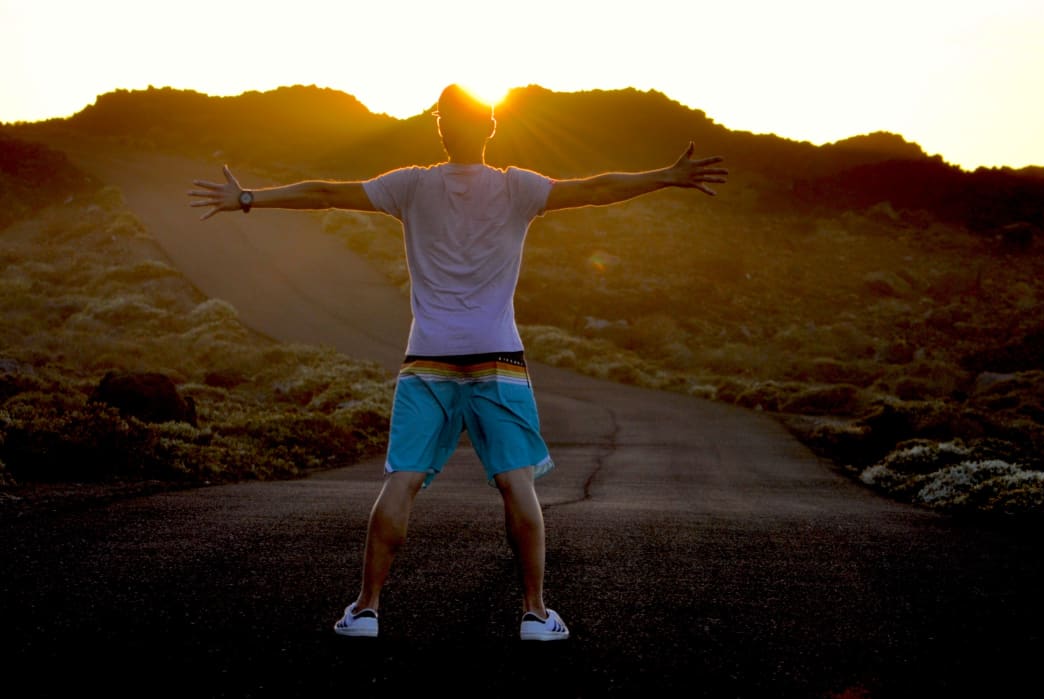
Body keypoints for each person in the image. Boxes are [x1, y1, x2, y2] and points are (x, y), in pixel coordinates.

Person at [188, 84, 727, 642]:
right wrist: (664, 176)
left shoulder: (412, 185)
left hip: (428, 359)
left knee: (403, 480)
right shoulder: (518, 187)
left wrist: (248, 198)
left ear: (440, 128)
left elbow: (325, 191)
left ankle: (367, 610)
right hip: (498, 356)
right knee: (517, 484)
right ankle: (536, 615)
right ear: (491, 126)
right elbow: (594, 189)